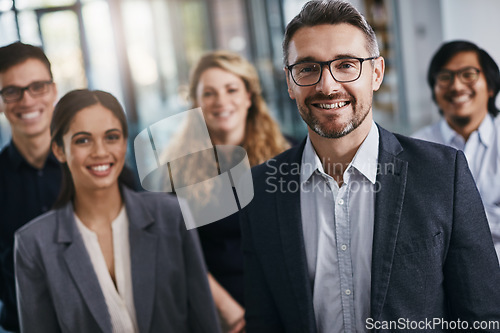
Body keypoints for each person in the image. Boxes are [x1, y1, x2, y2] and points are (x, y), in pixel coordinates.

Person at [239, 1, 500, 333]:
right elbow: (263, 322)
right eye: (307, 68)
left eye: (346, 65)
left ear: (376, 73)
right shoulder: (260, 189)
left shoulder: (442, 173)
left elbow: (483, 317)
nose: (327, 86)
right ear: (289, 83)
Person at [14, 89, 220, 333]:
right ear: (59, 150)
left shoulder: (171, 215)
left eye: (111, 137)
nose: (100, 151)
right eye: (83, 140)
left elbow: (205, 321)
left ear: (124, 142)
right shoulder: (33, 244)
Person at [180, 50, 290, 332]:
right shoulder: (178, 171)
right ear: (196, 102)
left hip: (285, 302)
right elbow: (180, 251)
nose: (221, 101)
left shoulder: (288, 156)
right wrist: (228, 312)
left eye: (231, 89)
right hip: (220, 312)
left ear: (249, 97)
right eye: (209, 93)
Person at [413, 40, 500, 261]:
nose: (457, 86)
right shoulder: (417, 148)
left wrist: (451, 220)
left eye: (468, 74)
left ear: (490, 86)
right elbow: (418, 228)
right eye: (445, 77)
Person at [0, 42, 60, 332]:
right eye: (11, 91)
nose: (26, 100)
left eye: (37, 86)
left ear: (54, 90)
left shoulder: (92, 165)